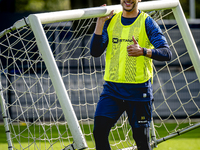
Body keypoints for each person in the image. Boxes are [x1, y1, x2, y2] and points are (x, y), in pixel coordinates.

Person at [90, 0, 172, 150]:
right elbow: (95, 52)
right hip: (112, 90)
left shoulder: (147, 22)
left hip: (138, 91)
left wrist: (143, 51)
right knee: (99, 132)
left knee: (141, 140)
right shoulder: (111, 20)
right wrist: (100, 23)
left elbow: (167, 53)